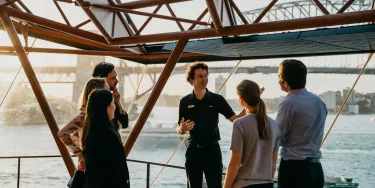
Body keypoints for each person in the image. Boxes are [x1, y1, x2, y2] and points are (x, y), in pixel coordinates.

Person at [176, 62, 246, 188]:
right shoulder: (185, 101)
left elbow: (236, 119)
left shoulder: (217, 99)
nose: (204, 79)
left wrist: (251, 102)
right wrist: (182, 128)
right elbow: (179, 129)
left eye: (205, 75)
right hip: (193, 151)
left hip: (212, 151)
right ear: (191, 80)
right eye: (200, 76)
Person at [276, 59, 327, 188]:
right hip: (315, 168)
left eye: (278, 75)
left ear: (284, 82)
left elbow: (277, 136)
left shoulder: (288, 103)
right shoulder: (319, 102)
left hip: (294, 168)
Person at [223, 80, 279, 188]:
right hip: (267, 184)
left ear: (241, 100)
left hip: (244, 184)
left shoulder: (239, 124)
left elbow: (235, 162)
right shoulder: (274, 125)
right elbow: (273, 162)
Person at [82, 89, 130, 188]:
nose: (114, 106)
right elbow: (113, 168)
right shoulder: (107, 134)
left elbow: (124, 122)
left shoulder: (91, 128)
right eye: (112, 103)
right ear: (105, 108)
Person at [58, 78, 109, 171]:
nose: (110, 93)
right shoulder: (85, 116)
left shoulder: (98, 114)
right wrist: (80, 154)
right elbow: (62, 134)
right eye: (107, 90)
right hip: (91, 166)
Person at [92, 62, 128, 130]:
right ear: (102, 80)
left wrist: (117, 102)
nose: (117, 81)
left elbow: (125, 123)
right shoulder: (95, 103)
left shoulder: (111, 100)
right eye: (113, 78)